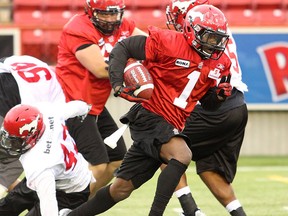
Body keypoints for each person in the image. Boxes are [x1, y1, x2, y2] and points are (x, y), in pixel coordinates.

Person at [62, 4, 233, 216]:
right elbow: (124, 47)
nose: (213, 45)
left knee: (120, 189)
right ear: (191, 31)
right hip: (151, 115)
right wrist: (117, 83)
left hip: (173, 122)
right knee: (182, 155)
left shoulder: (221, 62)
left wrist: (217, 97)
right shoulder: (169, 42)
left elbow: (205, 102)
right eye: (209, 38)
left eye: (218, 39)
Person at [55, 0, 148, 195]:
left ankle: (81, 203)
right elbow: (99, 69)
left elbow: (151, 45)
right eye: (104, 14)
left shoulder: (125, 26)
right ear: (91, 12)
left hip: (93, 105)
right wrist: (135, 71)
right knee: (97, 165)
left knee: (117, 160)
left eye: (114, 14)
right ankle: (64, 204)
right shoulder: (78, 27)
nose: (110, 19)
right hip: (71, 103)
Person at [166, 0, 248, 215]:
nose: (175, 23)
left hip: (214, 105)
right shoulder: (219, 30)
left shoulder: (200, 38)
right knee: (210, 168)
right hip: (237, 106)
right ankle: (239, 214)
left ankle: (190, 210)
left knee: (161, 145)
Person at [0, 100, 93, 216]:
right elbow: (77, 106)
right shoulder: (47, 114)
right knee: (6, 207)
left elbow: (49, 209)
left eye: (16, 141)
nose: (10, 145)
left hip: (70, 192)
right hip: (57, 174)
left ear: (31, 136)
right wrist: (86, 108)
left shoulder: (39, 163)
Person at [0, 55, 67, 198]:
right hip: (18, 107)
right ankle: (35, 197)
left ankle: (34, 197)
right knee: (13, 159)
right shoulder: (57, 88)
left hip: (14, 100)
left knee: (11, 161)